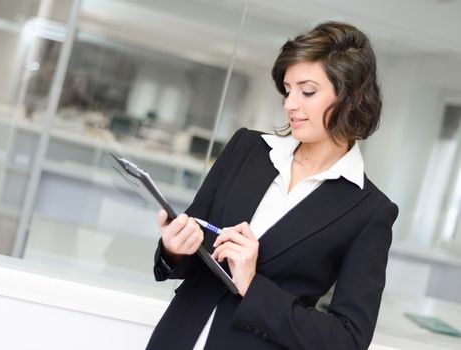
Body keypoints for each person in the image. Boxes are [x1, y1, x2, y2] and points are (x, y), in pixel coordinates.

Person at [146, 21, 398, 350]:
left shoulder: (369, 211)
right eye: (288, 90)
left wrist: (252, 284)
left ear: (351, 97)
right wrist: (174, 249)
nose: (291, 104)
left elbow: (347, 340)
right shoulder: (245, 150)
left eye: (307, 91)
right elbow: (194, 252)